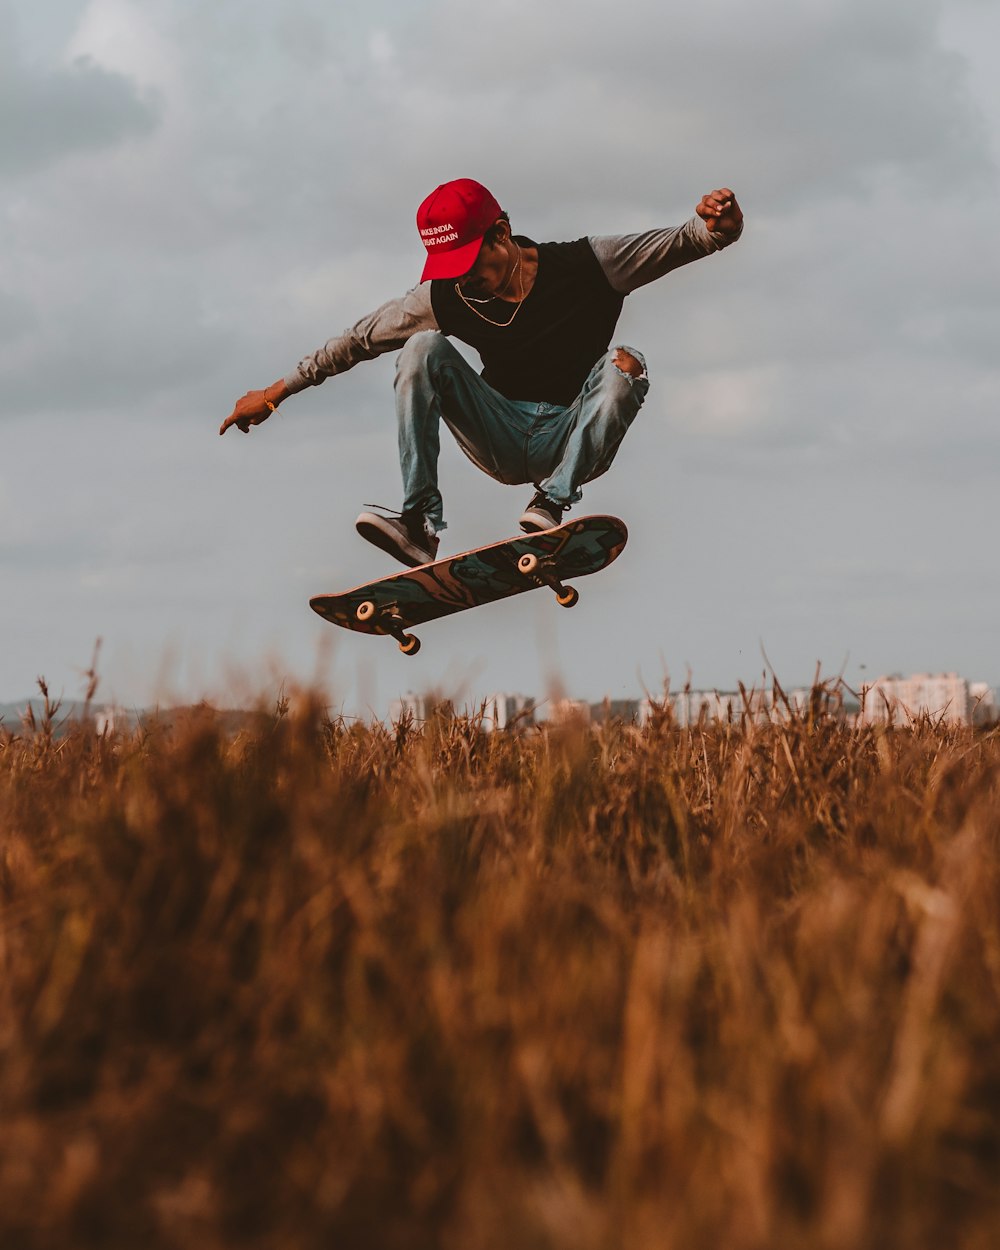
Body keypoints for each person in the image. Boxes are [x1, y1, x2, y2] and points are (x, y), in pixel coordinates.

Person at [220, 178, 743, 567]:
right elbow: (357, 341)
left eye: (474, 265)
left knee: (626, 363)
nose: (467, 282)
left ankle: (553, 503)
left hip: (572, 436)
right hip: (499, 432)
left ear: (503, 234)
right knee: (421, 348)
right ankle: (419, 522)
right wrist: (273, 395)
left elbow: (690, 240)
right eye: (453, 271)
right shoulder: (444, 297)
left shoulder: (590, 265)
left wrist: (719, 225)